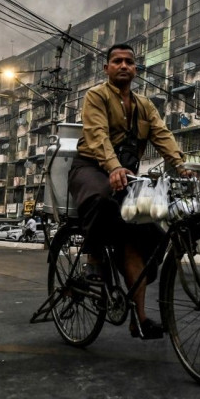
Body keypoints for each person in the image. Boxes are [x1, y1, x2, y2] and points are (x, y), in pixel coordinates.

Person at [68, 43, 188, 340]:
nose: (124, 66)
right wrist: (112, 167)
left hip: (127, 174)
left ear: (136, 70)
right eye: (117, 61)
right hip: (91, 167)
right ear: (107, 68)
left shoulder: (145, 105)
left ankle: (139, 319)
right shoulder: (96, 96)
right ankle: (93, 257)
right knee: (100, 197)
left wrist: (181, 165)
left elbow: (162, 134)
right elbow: (96, 135)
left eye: (129, 62)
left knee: (147, 237)